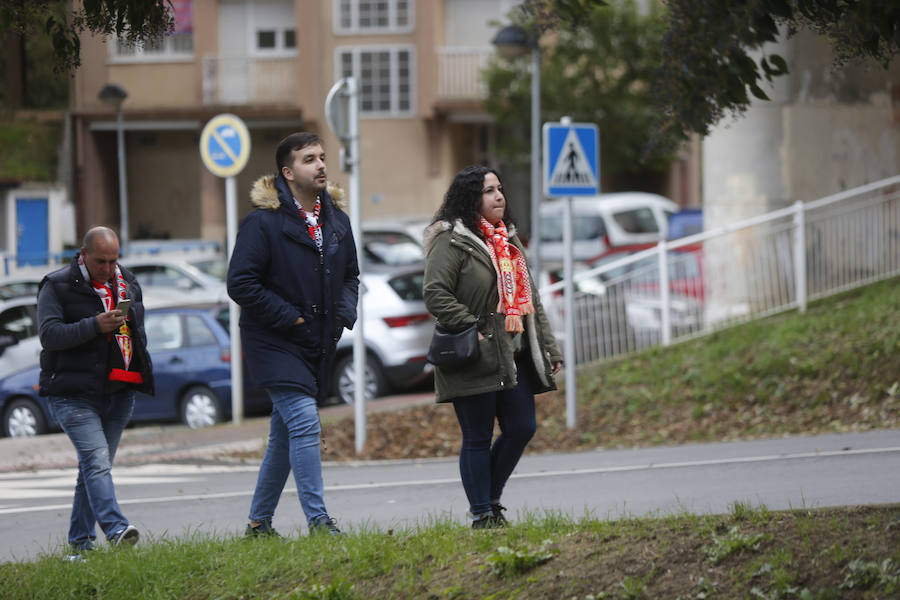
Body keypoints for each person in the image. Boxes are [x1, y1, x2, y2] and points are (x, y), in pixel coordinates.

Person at [227, 132, 359, 537]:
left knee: (283, 437)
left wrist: (341, 315)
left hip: (317, 340)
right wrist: (293, 319)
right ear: (288, 172)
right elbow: (241, 284)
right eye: (308, 159)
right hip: (273, 340)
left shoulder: (336, 220)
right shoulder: (262, 223)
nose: (320, 165)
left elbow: (351, 276)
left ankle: (258, 524)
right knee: (304, 423)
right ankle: (319, 521)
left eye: (321, 157)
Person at [423, 165, 563, 529]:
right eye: (488, 191)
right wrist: (473, 327)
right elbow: (435, 293)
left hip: (512, 355)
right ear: (470, 198)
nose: (499, 196)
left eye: (500, 188)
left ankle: (490, 498)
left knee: (521, 428)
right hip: (475, 354)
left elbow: (531, 301)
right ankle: (483, 513)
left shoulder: (508, 242)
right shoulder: (450, 240)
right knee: (477, 436)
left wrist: (550, 348)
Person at [37, 226, 154, 556]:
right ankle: (116, 529)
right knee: (96, 460)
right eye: (101, 261)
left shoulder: (127, 282)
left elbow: (137, 334)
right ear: (84, 255)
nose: (108, 268)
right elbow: (49, 335)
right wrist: (94, 325)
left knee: (92, 469)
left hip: (119, 391)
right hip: (73, 394)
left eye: (113, 260)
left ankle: (79, 547)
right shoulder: (56, 285)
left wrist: (141, 373)